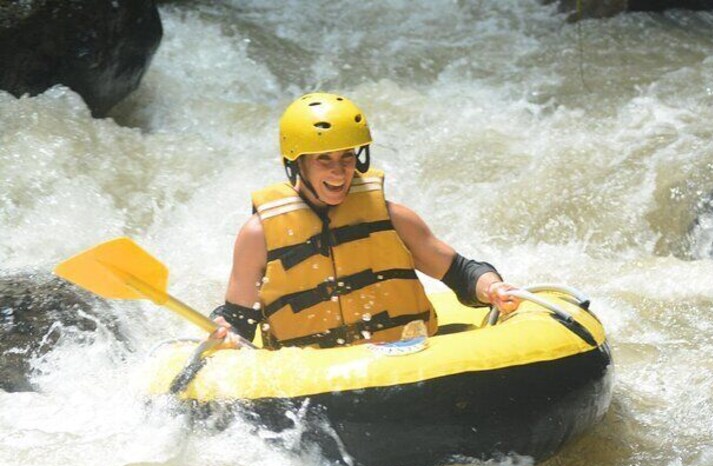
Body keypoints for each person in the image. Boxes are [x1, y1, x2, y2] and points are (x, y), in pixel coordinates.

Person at [212, 92, 519, 348]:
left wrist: (492, 289)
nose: (339, 171)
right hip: (310, 381)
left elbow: (462, 273)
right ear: (297, 162)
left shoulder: (392, 217)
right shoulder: (258, 235)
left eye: (347, 157)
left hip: (404, 360)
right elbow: (238, 322)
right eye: (324, 159)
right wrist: (223, 333)